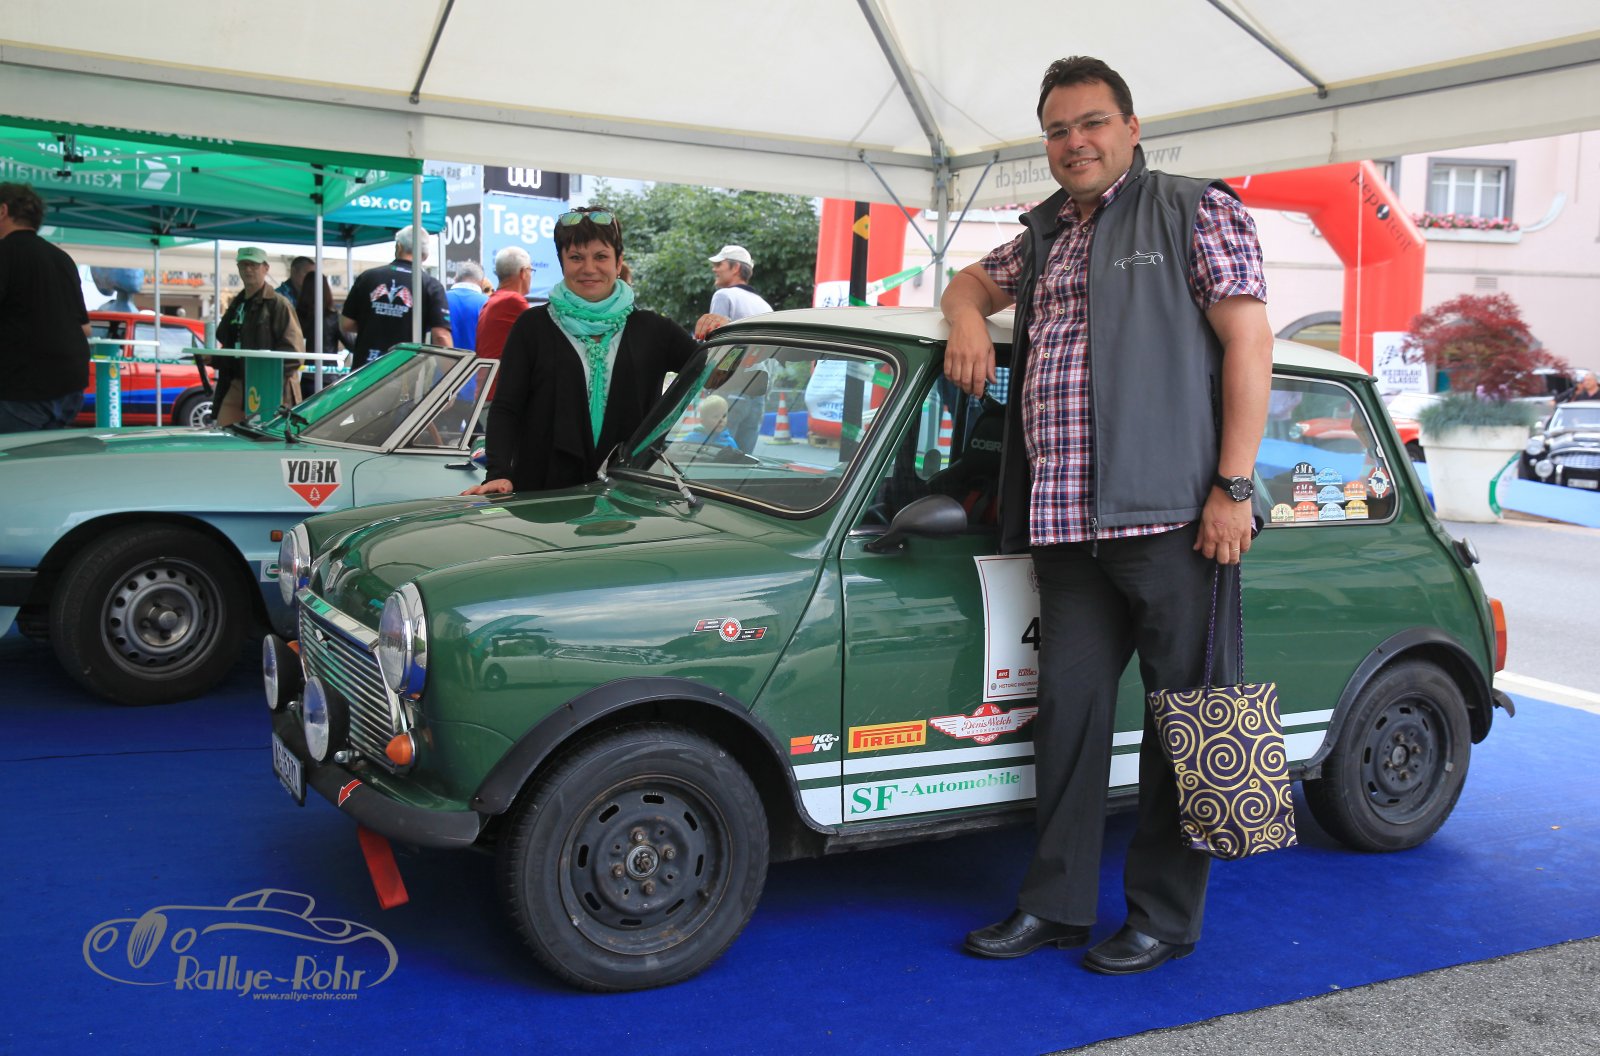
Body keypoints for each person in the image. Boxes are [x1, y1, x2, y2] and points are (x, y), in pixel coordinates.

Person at [941, 56, 1273, 976]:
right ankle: (1054, 907)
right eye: (1056, 129)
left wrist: (1233, 488)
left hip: (1174, 519)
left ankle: (1164, 919)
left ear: (1131, 127)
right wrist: (966, 317)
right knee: (1067, 720)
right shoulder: (1045, 231)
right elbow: (969, 284)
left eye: (1090, 123)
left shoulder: (1193, 209)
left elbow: (1249, 342)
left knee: (1187, 723)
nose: (1073, 142)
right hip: (1064, 527)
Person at [462, 208, 696, 496]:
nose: (589, 268)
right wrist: (498, 473)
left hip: (626, 500)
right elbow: (506, 407)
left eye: (601, 256)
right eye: (576, 257)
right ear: (562, 262)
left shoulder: (655, 331)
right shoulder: (532, 327)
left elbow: (717, 374)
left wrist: (717, 329)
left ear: (618, 262)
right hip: (544, 498)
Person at [0, 183, 91, 433]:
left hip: (23, 388)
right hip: (70, 388)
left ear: (3, 211)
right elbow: (85, 328)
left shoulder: (4, 253)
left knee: (13, 457)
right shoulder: (62, 259)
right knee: (43, 455)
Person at [211, 247, 305, 426]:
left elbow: (294, 354)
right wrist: (214, 358)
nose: (248, 269)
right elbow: (229, 343)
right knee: (225, 436)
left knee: (266, 440)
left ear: (266, 268)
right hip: (237, 385)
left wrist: (265, 376)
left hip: (270, 390)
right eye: (243, 265)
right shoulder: (238, 303)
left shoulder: (279, 304)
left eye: (253, 265)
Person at [339, 226, 452, 365]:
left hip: (366, 368)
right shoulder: (430, 285)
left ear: (398, 247)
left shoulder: (367, 277)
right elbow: (441, 336)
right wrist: (452, 372)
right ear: (425, 255)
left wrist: (374, 324)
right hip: (405, 369)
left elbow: (346, 324)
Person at [294, 267, 350, 394]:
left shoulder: (294, 316)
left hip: (300, 377)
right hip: (327, 377)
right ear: (326, 291)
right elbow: (352, 343)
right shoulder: (334, 318)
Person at [476, 246, 534, 361]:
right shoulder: (514, 301)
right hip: (505, 372)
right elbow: (539, 342)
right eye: (530, 270)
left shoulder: (491, 301)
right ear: (523, 272)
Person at [447, 262, 489, 350]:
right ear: (481, 283)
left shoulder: (441, 298)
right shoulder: (488, 302)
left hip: (443, 357)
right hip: (476, 358)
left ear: (455, 278)